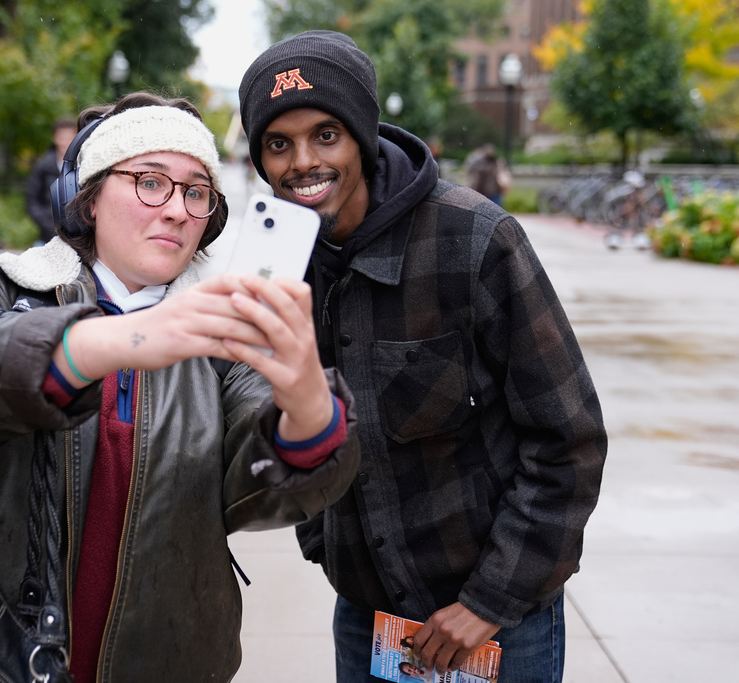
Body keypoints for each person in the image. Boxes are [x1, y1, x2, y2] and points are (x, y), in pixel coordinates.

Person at [0, 91, 360, 682]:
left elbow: (268, 489)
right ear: (86, 199)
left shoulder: (221, 345)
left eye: (195, 191)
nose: (177, 210)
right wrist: (129, 339)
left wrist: (308, 403)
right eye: (150, 181)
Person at [238, 30, 607, 682]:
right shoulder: (277, 266)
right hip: (367, 621)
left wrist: (488, 602)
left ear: (362, 135)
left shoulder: (475, 239)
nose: (302, 161)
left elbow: (568, 441)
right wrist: (324, 542)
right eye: (278, 143)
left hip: (496, 624)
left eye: (326, 134)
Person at [25, 118, 78, 244]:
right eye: (62, 137)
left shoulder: (84, 164)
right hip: (47, 236)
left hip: (79, 238)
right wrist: (48, 225)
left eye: (70, 137)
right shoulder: (43, 166)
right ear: (54, 138)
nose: (66, 142)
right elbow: (31, 199)